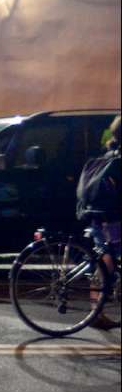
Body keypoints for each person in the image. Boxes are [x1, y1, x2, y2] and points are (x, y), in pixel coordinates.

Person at [77, 115, 120, 328]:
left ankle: (97, 310)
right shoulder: (118, 161)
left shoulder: (107, 155)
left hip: (97, 215)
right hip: (109, 219)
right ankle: (96, 311)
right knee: (107, 261)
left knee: (105, 259)